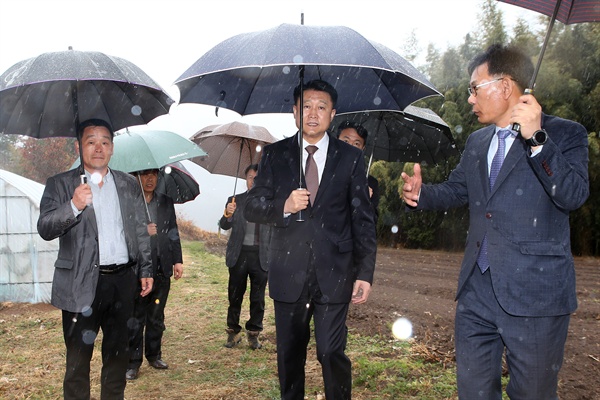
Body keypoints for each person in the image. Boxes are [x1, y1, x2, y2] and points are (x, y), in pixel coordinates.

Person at [401, 44, 589, 399]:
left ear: (504, 87)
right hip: (477, 293)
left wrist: (536, 139)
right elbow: (458, 190)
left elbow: (573, 195)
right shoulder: (477, 142)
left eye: (475, 88)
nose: (470, 99)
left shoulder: (564, 134)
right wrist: (421, 194)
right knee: (473, 392)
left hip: (536, 296)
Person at [244, 79, 377, 400]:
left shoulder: (351, 158)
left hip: (335, 273)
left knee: (331, 352)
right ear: (294, 111)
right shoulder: (276, 155)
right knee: (289, 357)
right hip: (288, 272)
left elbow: (363, 219)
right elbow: (251, 205)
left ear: (332, 113)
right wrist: (284, 206)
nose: (313, 114)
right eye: (306, 106)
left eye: (321, 107)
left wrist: (364, 273)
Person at [37, 118, 153, 400]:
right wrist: (73, 206)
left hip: (122, 284)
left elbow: (139, 229)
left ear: (112, 148)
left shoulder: (128, 183)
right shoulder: (61, 184)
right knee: (77, 364)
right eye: (90, 141)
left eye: (104, 141)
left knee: (117, 358)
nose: (98, 147)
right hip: (80, 284)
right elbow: (45, 228)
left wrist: (146, 268)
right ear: (79, 146)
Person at [126, 169, 184, 380]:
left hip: (161, 268)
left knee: (156, 315)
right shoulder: (130, 202)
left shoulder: (165, 202)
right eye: (145, 175)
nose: (150, 179)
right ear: (137, 178)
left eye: (154, 175)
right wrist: (143, 230)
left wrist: (178, 260)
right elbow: (124, 233)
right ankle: (132, 362)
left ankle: (154, 354)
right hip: (138, 270)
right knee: (136, 317)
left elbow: (173, 232)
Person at [218, 164, 270, 350]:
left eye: (257, 178)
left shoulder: (269, 203)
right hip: (239, 255)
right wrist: (228, 214)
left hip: (261, 256)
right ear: (245, 179)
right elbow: (224, 225)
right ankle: (233, 332)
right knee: (235, 295)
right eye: (250, 177)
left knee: (258, 298)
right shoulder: (235, 201)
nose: (253, 181)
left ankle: (254, 333)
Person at [336, 120, 380, 222]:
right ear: (336, 141)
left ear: (362, 148)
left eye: (356, 144)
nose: (350, 147)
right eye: (345, 141)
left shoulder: (370, 183)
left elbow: (371, 221)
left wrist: (364, 201)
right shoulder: (320, 170)